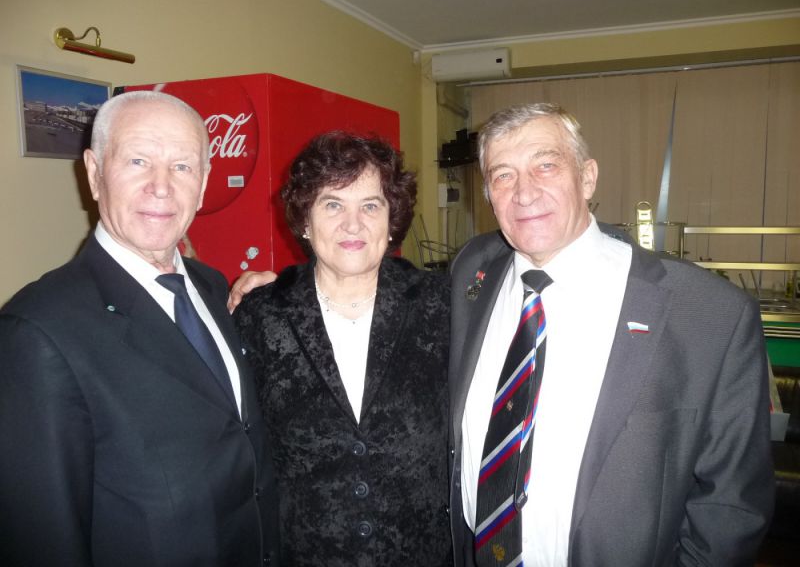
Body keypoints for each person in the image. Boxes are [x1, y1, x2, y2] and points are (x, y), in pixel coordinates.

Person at [449, 102, 774, 566]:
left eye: (545, 165)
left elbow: (731, 507)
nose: (524, 192)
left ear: (587, 177)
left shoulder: (708, 314)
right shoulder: (472, 272)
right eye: (503, 175)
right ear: (488, 195)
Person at [0, 91, 280, 566]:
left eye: (182, 166)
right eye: (137, 161)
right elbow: (42, 541)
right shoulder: (37, 332)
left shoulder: (213, 287)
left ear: (204, 183)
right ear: (94, 174)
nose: (161, 187)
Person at [233, 131, 452, 566]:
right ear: (305, 221)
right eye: (333, 205)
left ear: (391, 220)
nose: (353, 224)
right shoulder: (260, 315)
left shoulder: (442, 305)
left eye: (370, 205)